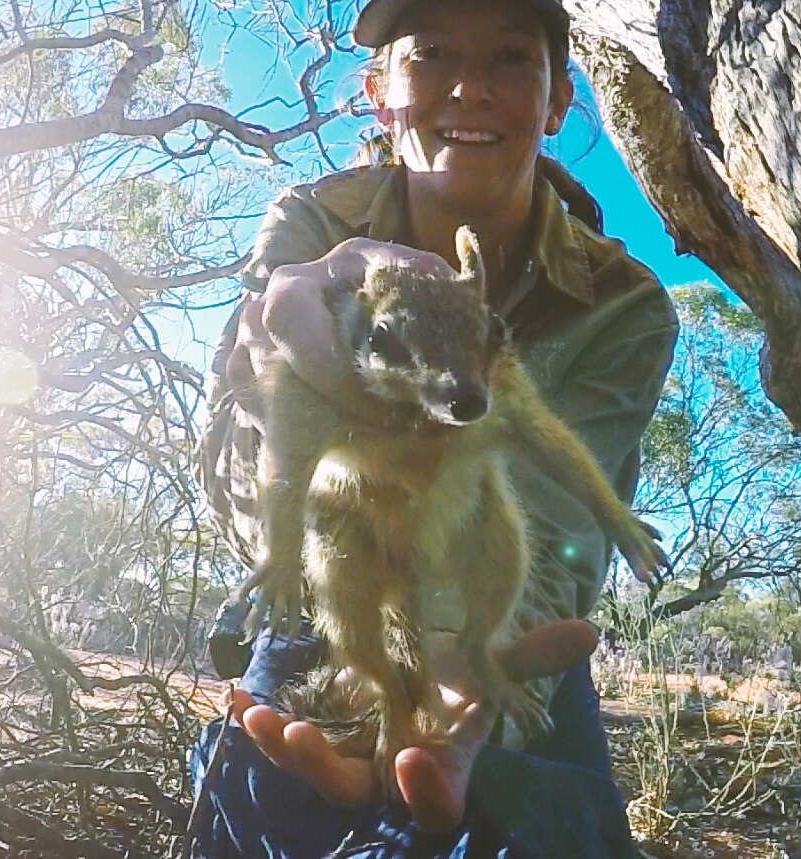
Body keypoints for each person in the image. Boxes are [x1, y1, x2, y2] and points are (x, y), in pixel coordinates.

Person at [191, 0, 678, 855]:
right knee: (270, 799)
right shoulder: (312, 228)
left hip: (500, 619)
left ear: (559, 99)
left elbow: (551, 517)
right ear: (379, 94)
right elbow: (245, 446)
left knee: (556, 825)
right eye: (432, 56)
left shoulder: (623, 301)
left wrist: (472, 660)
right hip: (323, 595)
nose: (468, 88)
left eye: (507, 60)